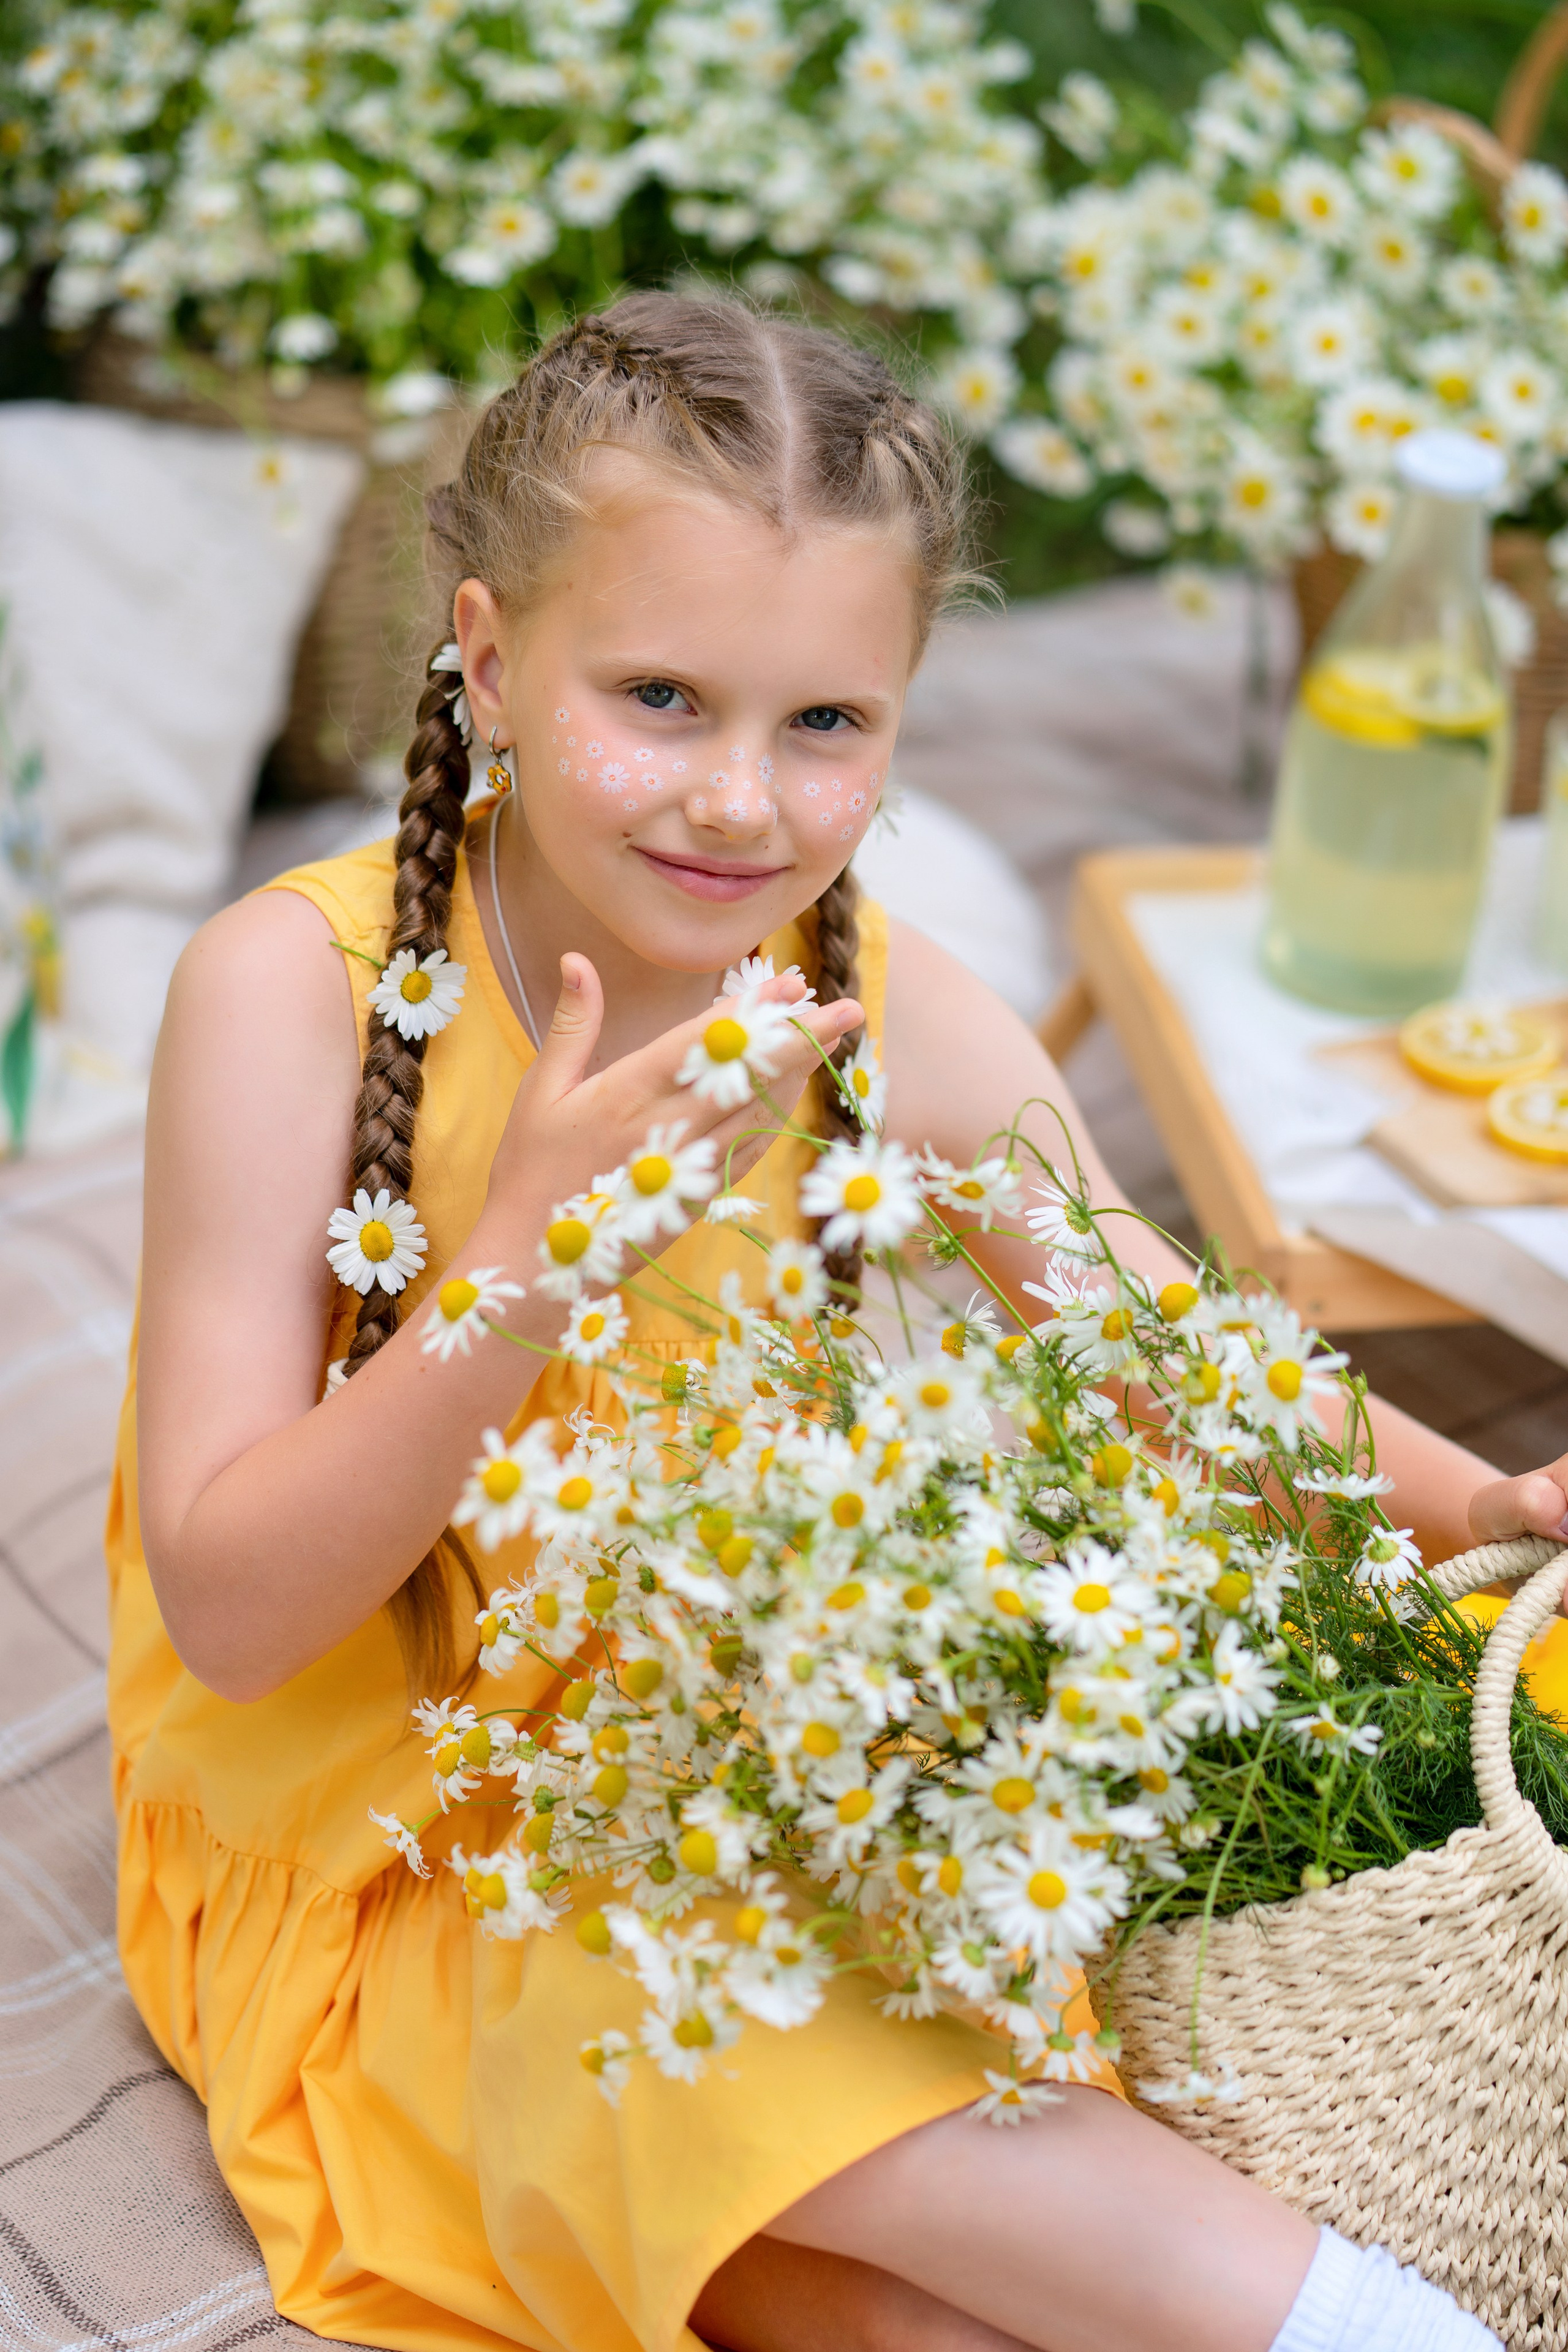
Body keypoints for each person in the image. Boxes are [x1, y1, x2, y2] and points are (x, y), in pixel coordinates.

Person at [113, 293, 1559, 2352]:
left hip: (730, 1757)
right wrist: (519, 1266)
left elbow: (1163, 1346)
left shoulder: (879, 1002)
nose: (737, 801)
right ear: (493, 656)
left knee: (911, 2310)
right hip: (397, 1834)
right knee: (818, 2077)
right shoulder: (288, 996)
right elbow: (242, 1619)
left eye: (825, 725)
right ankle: (1374, 2326)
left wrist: (1475, 1492)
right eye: (664, 696)